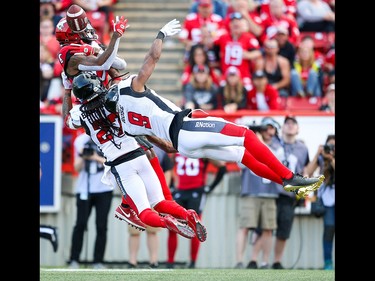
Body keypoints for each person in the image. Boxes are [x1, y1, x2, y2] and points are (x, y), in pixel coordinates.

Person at [70, 19, 324, 200]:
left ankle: (287, 183)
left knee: (242, 155)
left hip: (183, 145)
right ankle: (290, 177)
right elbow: (151, 60)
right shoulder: (127, 87)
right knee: (246, 135)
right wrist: (160, 35)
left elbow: (163, 145)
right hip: (184, 129)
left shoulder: (117, 118)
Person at [66, 19, 208, 243]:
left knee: (145, 212)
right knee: (161, 202)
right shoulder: (116, 99)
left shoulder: (79, 114)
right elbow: (134, 121)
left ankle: (167, 222)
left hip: (121, 164)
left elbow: (67, 118)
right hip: (140, 154)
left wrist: (66, 92)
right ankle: (188, 214)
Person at [56, 5, 176, 232]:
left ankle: (134, 203)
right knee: (133, 139)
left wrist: (99, 49)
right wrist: (113, 40)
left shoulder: (86, 45)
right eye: (81, 31)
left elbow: (117, 64)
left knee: (142, 146)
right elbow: (107, 64)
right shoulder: (69, 54)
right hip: (98, 101)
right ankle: (134, 204)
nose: (87, 31)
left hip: (105, 96)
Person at [234, 117, 282, 269]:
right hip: (251, 192)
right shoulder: (249, 146)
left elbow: (277, 161)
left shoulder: (278, 147)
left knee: (268, 228)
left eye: (270, 128)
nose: (267, 132)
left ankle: (265, 261)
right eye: (264, 129)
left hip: (270, 193)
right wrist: (251, 142)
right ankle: (239, 261)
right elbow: (239, 164)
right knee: (245, 227)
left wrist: (259, 143)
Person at [166, 153, 227, 269]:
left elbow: (222, 167)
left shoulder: (201, 151)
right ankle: (170, 261)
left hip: (196, 192)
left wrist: (210, 187)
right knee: (172, 225)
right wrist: (173, 185)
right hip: (179, 192)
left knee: (195, 226)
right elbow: (168, 165)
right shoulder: (177, 148)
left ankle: (193, 261)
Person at [271, 115, 312, 269]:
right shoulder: (273, 143)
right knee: (264, 228)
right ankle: (260, 261)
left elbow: (305, 169)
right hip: (271, 191)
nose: (289, 125)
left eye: (293, 123)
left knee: (284, 229)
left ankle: (276, 261)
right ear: (282, 127)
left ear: (298, 128)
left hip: (289, 195)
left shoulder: (303, 148)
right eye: (286, 123)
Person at [68, 131, 113, 269]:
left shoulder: (109, 138)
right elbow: (76, 167)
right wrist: (83, 156)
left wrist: (95, 157)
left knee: (101, 226)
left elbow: (112, 162)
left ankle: (98, 261)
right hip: (84, 188)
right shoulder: (80, 140)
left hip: (104, 189)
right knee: (80, 224)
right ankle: (74, 259)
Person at [127, 145, 174, 269]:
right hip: (136, 195)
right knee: (134, 231)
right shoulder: (129, 148)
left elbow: (167, 171)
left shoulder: (158, 150)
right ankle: (132, 261)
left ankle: (153, 260)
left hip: (153, 197)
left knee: (152, 231)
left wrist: (160, 193)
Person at [304, 134, 335, 270]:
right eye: (329, 146)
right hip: (327, 200)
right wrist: (317, 155)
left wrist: (332, 159)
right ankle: (328, 262)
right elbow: (307, 173)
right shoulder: (321, 158)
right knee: (329, 228)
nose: (331, 149)